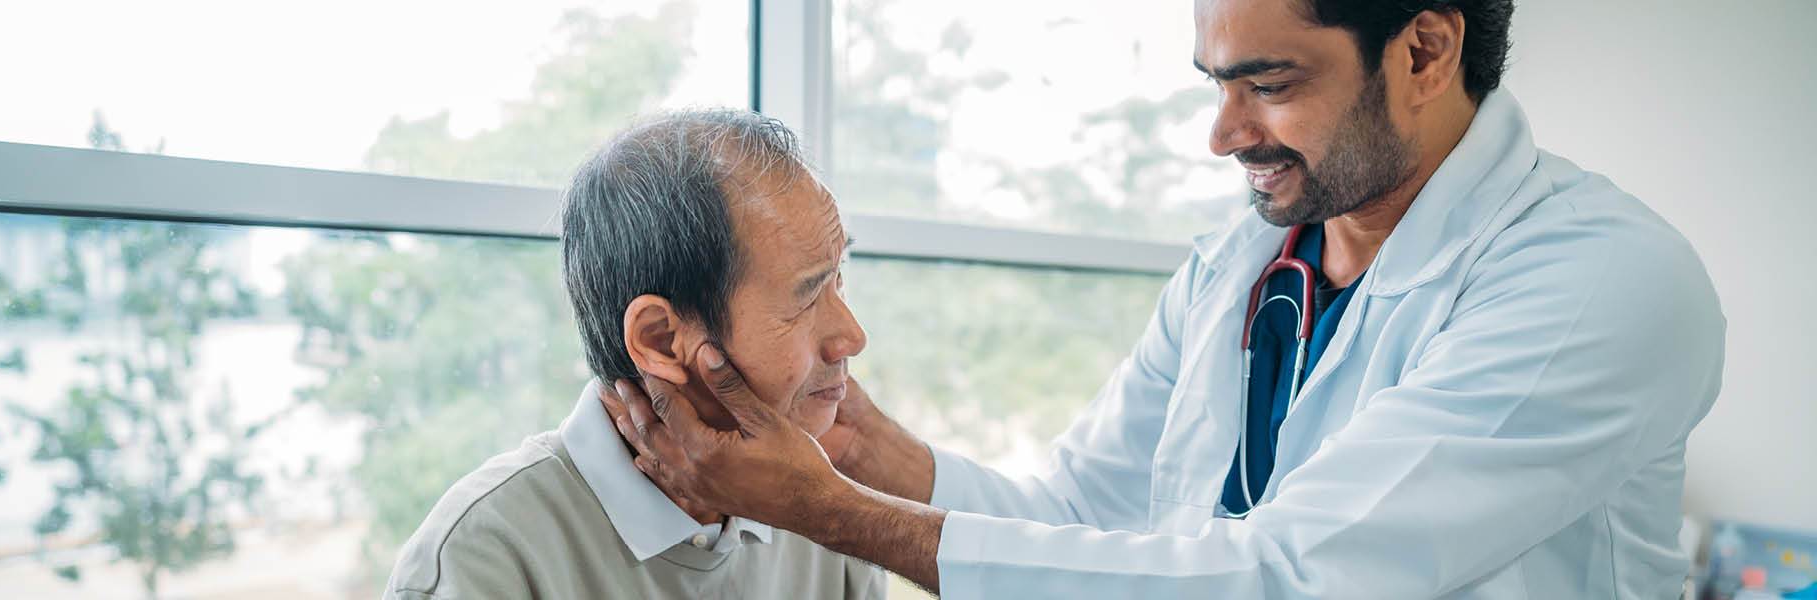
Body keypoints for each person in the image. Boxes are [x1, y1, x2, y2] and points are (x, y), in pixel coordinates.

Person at [605, 1, 1727, 598]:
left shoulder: (1599, 281)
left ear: (1425, 50)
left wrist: (830, 510)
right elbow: (1086, 516)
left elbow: (1295, 579)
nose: (1225, 133)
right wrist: (860, 447)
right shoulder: (1241, 266)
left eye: (1270, 83)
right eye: (1218, 82)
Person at [384, 108, 883, 600]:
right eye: (807, 297)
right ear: (660, 340)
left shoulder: (827, 516)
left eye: (840, 280)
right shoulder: (482, 560)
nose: (852, 336)